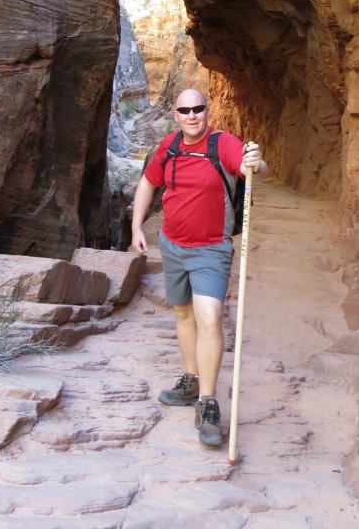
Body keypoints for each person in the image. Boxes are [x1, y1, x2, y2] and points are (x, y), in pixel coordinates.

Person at [130, 88, 266, 448]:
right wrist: (136, 227)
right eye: (184, 110)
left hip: (211, 249)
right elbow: (148, 183)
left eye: (198, 109)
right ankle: (191, 380)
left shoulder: (222, 143)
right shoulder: (169, 147)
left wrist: (256, 160)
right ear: (175, 114)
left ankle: (207, 401)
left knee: (210, 316)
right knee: (183, 314)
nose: (192, 115)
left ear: (207, 111)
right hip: (172, 244)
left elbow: (252, 167)